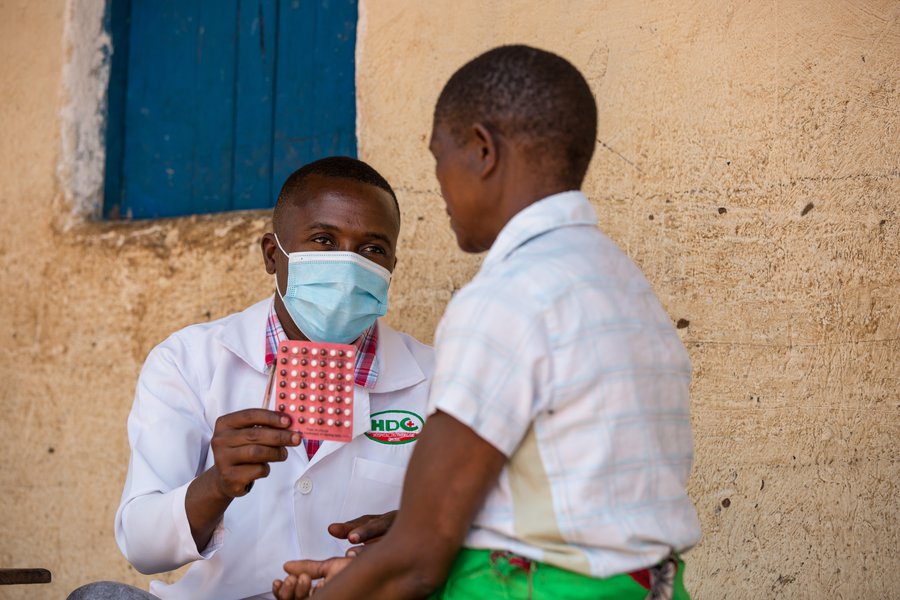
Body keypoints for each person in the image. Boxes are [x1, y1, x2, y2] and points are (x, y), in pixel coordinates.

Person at [272, 45, 702, 600]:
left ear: (481, 150)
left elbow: (418, 562)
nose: (440, 186)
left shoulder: (508, 296)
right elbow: (566, 502)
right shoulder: (623, 286)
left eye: (438, 157)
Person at [69, 157, 434, 600]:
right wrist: (216, 485)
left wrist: (417, 539)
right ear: (271, 254)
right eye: (323, 240)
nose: (348, 265)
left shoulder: (436, 380)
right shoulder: (188, 361)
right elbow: (142, 546)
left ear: (392, 265)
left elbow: (489, 530)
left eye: (372, 249)